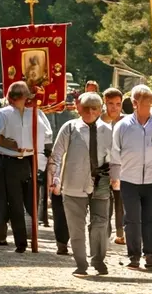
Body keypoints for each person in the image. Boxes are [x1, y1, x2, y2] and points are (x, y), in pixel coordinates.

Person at [48, 92, 114, 276]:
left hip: (101, 182)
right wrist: (55, 179)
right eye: (87, 108)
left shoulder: (108, 130)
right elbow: (57, 154)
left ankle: (98, 260)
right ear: (79, 108)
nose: (90, 112)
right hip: (73, 182)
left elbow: (115, 157)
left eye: (95, 108)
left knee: (100, 223)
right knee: (76, 225)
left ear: (100, 110)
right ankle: (81, 263)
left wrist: (115, 179)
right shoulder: (70, 128)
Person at [0, 81, 49, 252]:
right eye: (16, 95)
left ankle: (31, 237)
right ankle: (21, 242)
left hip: (29, 161)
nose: (18, 99)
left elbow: (46, 139)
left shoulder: (36, 114)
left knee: (32, 202)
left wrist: (41, 164)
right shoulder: (4, 114)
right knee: (15, 203)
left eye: (22, 95)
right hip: (8, 162)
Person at [110, 84, 152, 270]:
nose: (148, 108)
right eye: (144, 104)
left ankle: (151, 254)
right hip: (129, 179)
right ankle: (134, 255)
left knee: (151, 217)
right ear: (134, 103)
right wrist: (116, 176)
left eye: (150, 104)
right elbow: (115, 152)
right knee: (132, 218)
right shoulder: (123, 126)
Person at [100, 88, 126, 246]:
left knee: (120, 201)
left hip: (121, 167)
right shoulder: (99, 121)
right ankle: (104, 233)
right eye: (110, 104)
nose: (114, 108)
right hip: (103, 167)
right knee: (104, 203)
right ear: (105, 102)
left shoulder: (126, 122)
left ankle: (121, 233)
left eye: (118, 104)